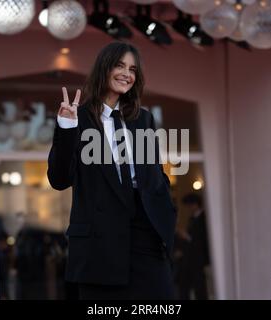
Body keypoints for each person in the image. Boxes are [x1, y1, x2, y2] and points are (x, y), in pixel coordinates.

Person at [47, 41, 177, 300]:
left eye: (132, 69)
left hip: (145, 237)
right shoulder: (78, 118)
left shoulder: (144, 119)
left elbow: (155, 172)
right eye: (119, 65)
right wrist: (66, 127)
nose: (126, 74)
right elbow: (60, 179)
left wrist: (164, 205)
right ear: (104, 68)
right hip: (100, 243)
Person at [175, 193, 210, 300]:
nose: (189, 208)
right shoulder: (192, 218)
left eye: (190, 205)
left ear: (195, 204)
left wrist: (186, 236)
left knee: (199, 287)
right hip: (190, 258)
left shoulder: (203, 218)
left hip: (198, 258)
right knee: (185, 286)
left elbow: (201, 238)